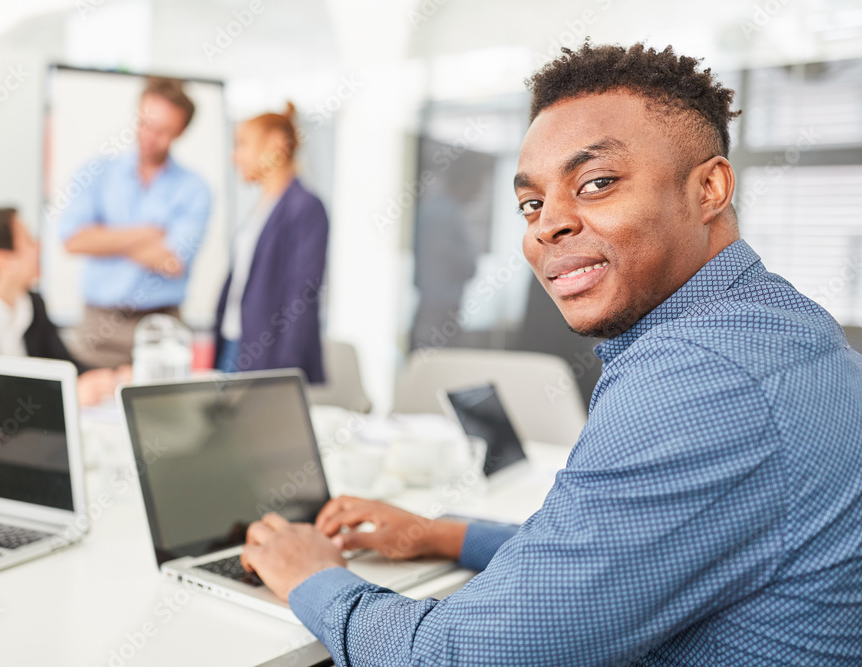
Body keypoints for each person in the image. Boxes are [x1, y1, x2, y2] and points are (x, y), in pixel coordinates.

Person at [238, 43, 862, 665]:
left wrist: (311, 575)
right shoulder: (782, 323)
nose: (546, 226)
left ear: (710, 189)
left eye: (596, 183)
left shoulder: (699, 377)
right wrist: (444, 534)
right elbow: (622, 547)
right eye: (531, 203)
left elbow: (456, 658)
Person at [59, 77, 211, 368]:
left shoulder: (195, 189)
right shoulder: (97, 172)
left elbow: (171, 262)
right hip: (98, 326)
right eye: (144, 123)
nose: (149, 135)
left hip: (162, 328)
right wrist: (148, 234)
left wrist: (102, 239)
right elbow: (74, 240)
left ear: (180, 132)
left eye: (163, 130)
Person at [0, 207, 128, 406]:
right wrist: (64, 397)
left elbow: (64, 365)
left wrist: (113, 378)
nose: (39, 247)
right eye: (28, 241)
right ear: (3, 261)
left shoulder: (33, 304)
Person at [214, 102, 329, 382]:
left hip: (269, 358)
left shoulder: (305, 207)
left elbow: (301, 298)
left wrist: (286, 373)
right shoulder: (262, 207)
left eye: (242, 144)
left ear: (276, 144)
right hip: (235, 344)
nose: (235, 157)